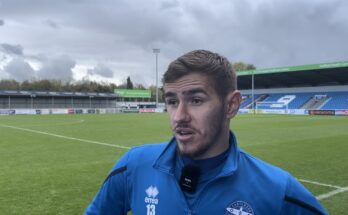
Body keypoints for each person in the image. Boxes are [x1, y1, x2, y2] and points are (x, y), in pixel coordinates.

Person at [85, 50, 328, 215]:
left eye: (196, 100)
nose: (179, 116)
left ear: (231, 105)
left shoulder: (277, 189)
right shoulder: (133, 166)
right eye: (171, 101)